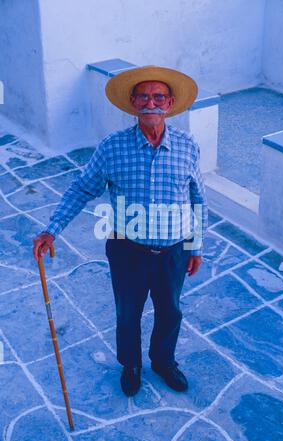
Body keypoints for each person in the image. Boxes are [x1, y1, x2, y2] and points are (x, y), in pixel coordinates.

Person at [33, 65, 208, 397]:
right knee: (128, 313)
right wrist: (51, 230)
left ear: (169, 103)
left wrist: (196, 245)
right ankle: (131, 364)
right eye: (143, 96)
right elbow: (82, 189)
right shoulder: (112, 147)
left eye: (158, 96)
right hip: (128, 250)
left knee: (171, 310)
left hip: (174, 250)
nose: (151, 102)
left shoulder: (187, 146)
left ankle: (163, 361)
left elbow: (198, 196)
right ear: (132, 103)